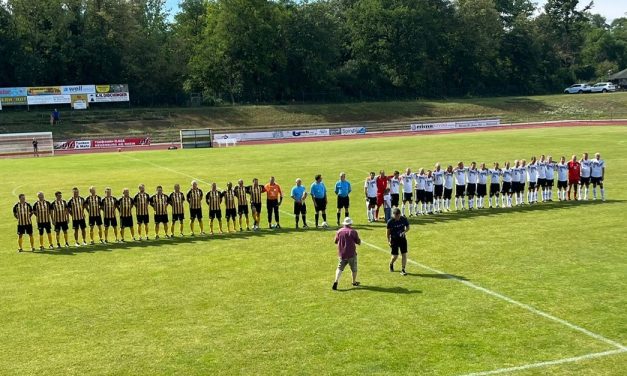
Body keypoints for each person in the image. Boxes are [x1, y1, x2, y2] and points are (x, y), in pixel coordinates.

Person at [332, 217, 361, 290]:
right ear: (350, 223)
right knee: (354, 269)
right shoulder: (353, 231)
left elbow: (335, 241)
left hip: (342, 254)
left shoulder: (339, 231)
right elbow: (358, 241)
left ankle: (336, 281)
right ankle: (354, 282)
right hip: (351, 254)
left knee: (339, 268)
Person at [387, 207, 410, 276]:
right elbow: (388, 233)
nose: (397, 217)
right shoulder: (390, 221)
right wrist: (388, 241)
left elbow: (408, 227)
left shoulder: (403, 219)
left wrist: (404, 232)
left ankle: (403, 269)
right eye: (396, 216)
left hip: (402, 239)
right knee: (395, 256)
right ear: (393, 215)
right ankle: (391, 263)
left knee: (404, 254)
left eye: (398, 216)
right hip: (394, 240)